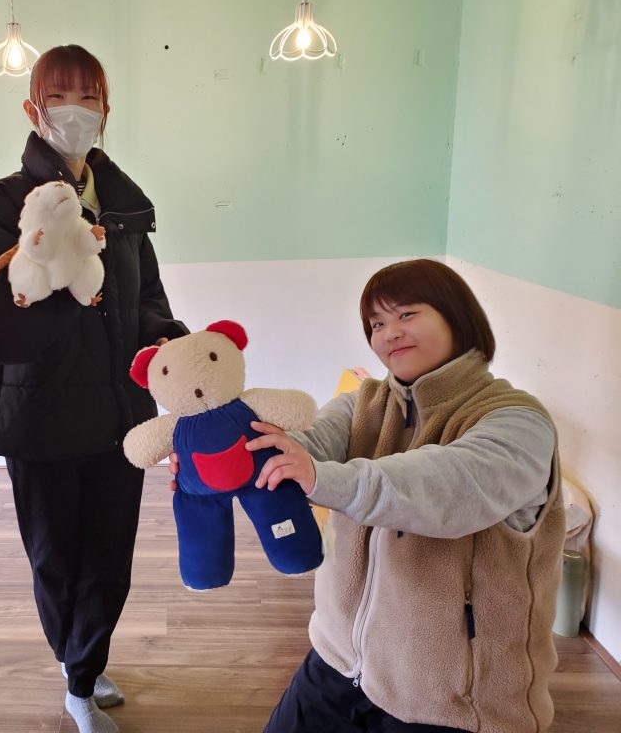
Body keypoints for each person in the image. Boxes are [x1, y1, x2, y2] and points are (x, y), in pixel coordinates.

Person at [0, 45, 187, 733]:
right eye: (59, 95)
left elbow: (145, 298)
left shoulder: (122, 205)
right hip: (40, 418)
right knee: (56, 560)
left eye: (88, 96)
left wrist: (170, 340)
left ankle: (83, 667)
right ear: (32, 108)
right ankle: (77, 672)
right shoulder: (1, 206)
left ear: (106, 110)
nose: (75, 109)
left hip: (120, 416)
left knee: (110, 557)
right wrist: (59, 273)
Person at [239, 258, 564, 732]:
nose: (389, 333)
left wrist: (320, 477)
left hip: (453, 697)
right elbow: (305, 445)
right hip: (340, 657)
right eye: (376, 323)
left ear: (457, 317)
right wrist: (223, 458)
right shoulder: (362, 403)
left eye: (407, 314)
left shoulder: (518, 421)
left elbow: (443, 487)